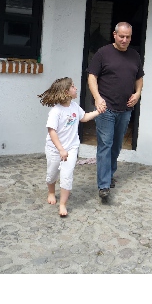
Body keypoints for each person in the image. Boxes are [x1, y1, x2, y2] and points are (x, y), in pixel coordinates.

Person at [87, 22, 144, 200]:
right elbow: (92, 76)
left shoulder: (134, 55)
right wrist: (97, 98)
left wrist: (138, 93)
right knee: (105, 144)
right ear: (114, 35)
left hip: (125, 108)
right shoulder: (103, 53)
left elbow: (139, 78)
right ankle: (104, 185)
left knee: (116, 144)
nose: (124, 40)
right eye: (121, 36)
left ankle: (109, 174)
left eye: (128, 37)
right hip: (105, 107)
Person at [37, 77, 100, 217]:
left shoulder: (74, 106)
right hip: (55, 149)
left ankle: (63, 204)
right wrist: (60, 149)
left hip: (71, 148)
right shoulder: (56, 111)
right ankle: (51, 192)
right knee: (52, 174)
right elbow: (52, 131)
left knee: (67, 175)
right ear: (66, 91)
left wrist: (98, 112)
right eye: (73, 86)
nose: (76, 88)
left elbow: (83, 117)